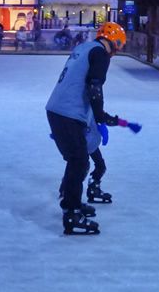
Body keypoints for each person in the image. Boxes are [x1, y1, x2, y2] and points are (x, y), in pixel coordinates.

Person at [46, 21, 127, 235]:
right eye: (119, 46)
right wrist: (100, 119)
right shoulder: (100, 53)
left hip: (59, 109)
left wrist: (101, 117)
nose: (117, 52)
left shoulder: (84, 48)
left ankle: (71, 200)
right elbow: (94, 87)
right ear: (115, 42)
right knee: (79, 161)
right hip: (67, 112)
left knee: (77, 160)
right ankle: (71, 213)